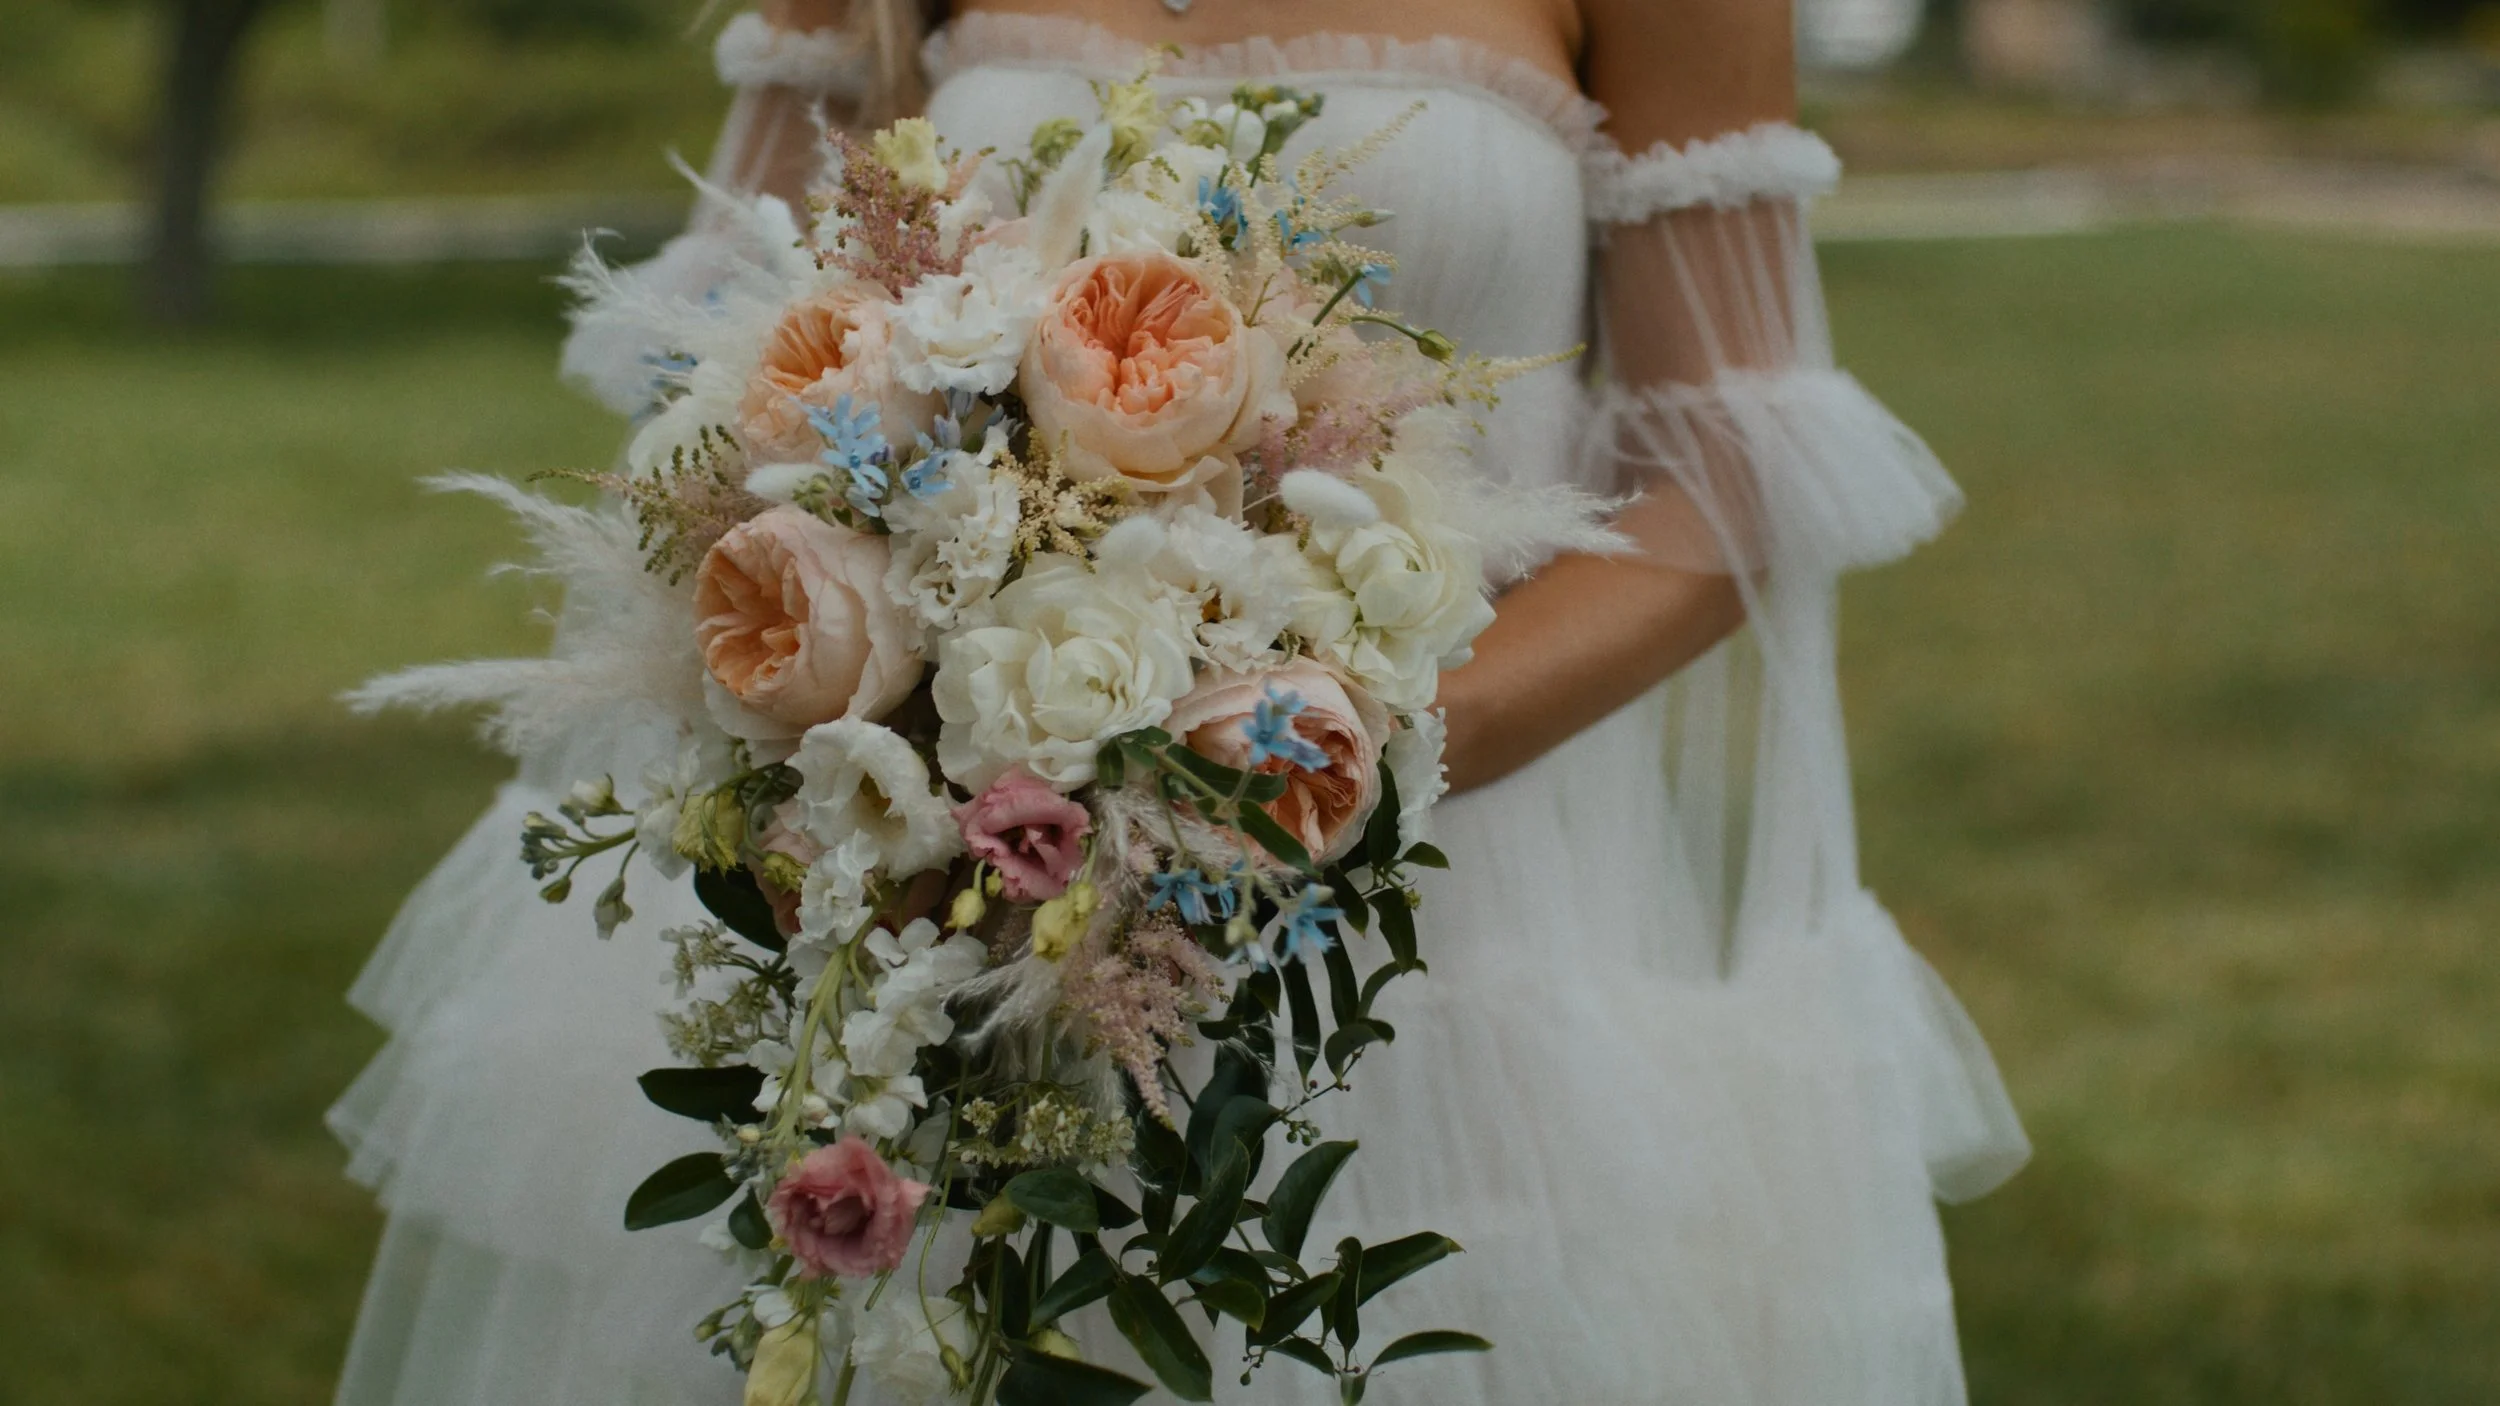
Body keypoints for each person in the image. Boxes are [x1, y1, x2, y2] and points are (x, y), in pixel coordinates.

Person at [331, 2, 2032, 1401]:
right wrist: (843, 663)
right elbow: (738, 336)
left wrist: (1335, 764)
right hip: (936, 926)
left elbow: (1732, 462)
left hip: (1433, 941)